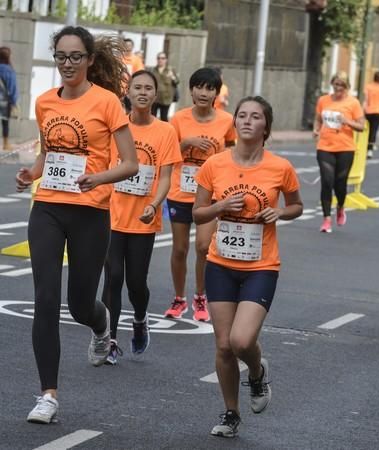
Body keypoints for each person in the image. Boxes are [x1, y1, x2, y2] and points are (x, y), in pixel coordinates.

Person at [14, 26, 138, 424]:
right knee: (46, 299)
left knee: (80, 302)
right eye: (61, 57)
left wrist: (98, 179)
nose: (67, 64)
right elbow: (48, 154)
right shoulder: (45, 102)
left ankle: (101, 325)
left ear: (88, 60)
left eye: (75, 57)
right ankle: (47, 394)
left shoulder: (106, 103)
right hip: (48, 207)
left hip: (91, 211)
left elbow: (130, 163)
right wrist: (29, 174)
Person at [192, 96, 303, 437]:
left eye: (255, 117)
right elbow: (198, 213)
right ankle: (230, 412)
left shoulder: (280, 167)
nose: (246, 121)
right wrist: (221, 205)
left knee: (242, 341)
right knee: (224, 345)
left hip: (261, 265)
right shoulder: (214, 165)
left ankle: (256, 371)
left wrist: (279, 212)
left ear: (266, 126)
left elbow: (296, 205)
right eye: (241, 115)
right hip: (220, 263)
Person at [101, 70, 182, 365]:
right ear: (128, 92)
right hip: (111, 215)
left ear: (156, 94)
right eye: (137, 87)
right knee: (112, 278)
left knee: (136, 282)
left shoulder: (165, 132)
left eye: (149, 88)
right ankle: (109, 341)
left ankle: (139, 318)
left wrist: (155, 204)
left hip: (143, 219)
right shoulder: (116, 128)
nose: (143, 92)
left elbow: (165, 176)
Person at [165, 67, 237, 322]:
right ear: (191, 90)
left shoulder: (227, 121)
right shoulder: (179, 119)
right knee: (180, 249)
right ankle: (179, 298)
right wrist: (187, 144)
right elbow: (168, 153)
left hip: (210, 194)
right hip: (180, 191)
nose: (203, 93)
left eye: (210, 88)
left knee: (204, 247)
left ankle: (200, 296)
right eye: (199, 87)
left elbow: (232, 152)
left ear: (217, 93)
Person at [313, 72, 365, 233]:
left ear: (347, 87)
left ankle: (340, 207)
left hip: (345, 148)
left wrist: (347, 121)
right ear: (332, 84)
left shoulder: (353, 103)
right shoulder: (323, 100)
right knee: (327, 182)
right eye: (336, 84)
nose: (338, 87)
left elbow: (361, 126)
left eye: (342, 85)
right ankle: (326, 219)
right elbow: (318, 118)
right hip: (325, 147)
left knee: (340, 184)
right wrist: (315, 130)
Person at [150, 51, 178, 122]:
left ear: (166, 60)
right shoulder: (153, 70)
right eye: (159, 58)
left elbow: (177, 82)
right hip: (155, 98)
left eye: (163, 58)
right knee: (152, 118)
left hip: (166, 99)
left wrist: (172, 77)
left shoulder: (171, 70)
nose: (160, 60)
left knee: (164, 118)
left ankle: (164, 132)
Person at [0, 46, 18, 150]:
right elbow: (13, 88)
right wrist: (14, 101)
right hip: (4, 101)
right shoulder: (9, 70)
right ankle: (6, 144)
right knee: (5, 122)